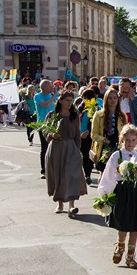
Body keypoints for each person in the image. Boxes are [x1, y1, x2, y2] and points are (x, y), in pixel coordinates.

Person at [97, 124, 137, 269]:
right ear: (122, 140)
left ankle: (131, 256)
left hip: (136, 191)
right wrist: (105, 193)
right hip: (122, 191)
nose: (130, 143)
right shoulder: (117, 155)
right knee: (123, 223)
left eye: (133, 140)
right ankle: (120, 247)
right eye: (127, 140)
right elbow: (109, 175)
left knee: (134, 225)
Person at [45, 90, 88, 218]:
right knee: (58, 175)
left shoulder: (74, 116)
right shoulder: (52, 115)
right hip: (56, 148)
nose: (69, 103)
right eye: (67, 100)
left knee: (72, 175)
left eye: (71, 101)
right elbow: (45, 131)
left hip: (71, 148)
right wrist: (52, 135)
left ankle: (71, 205)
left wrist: (78, 150)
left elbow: (77, 135)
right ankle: (59, 204)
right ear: (60, 101)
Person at [91, 88, 128, 174]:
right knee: (103, 174)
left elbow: (126, 132)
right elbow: (94, 134)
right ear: (106, 99)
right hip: (103, 148)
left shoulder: (122, 116)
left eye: (115, 98)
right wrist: (103, 139)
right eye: (110, 98)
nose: (113, 100)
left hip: (117, 147)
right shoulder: (98, 115)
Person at [34, 80, 56, 179]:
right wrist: (54, 95)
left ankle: (53, 169)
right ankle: (44, 170)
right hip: (43, 125)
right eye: (50, 86)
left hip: (53, 124)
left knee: (54, 148)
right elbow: (46, 104)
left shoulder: (52, 96)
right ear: (44, 87)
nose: (52, 87)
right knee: (45, 147)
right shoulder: (37, 96)